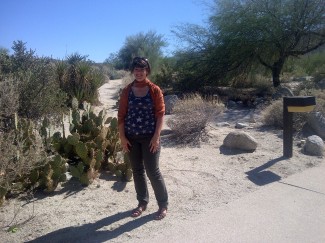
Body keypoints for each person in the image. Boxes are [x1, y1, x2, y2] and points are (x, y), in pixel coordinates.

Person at [118, 57, 168, 220]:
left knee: (153, 171)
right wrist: (123, 138)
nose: (139, 73)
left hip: (149, 138)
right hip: (131, 138)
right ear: (133, 71)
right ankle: (142, 203)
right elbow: (121, 116)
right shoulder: (127, 90)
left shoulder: (154, 90)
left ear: (147, 70)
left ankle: (163, 204)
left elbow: (160, 115)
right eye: (136, 70)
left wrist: (156, 137)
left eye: (142, 69)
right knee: (137, 171)